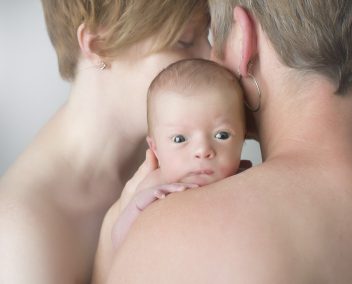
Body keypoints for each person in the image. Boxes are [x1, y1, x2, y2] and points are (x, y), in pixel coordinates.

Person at [96, 0, 352, 283]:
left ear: (244, 39)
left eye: (215, 37)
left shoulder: (172, 233)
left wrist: (113, 230)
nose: (211, 58)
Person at [0, 0, 210, 283]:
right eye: (184, 41)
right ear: (98, 45)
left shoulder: (171, 158)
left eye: (206, 36)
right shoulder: (21, 234)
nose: (211, 59)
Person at [111, 58, 246, 249]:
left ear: (242, 138)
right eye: (179, 139)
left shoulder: (245, 181)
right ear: (155, 148)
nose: (203, 151)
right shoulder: (155, 188)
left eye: (221, 135)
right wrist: (136, 207)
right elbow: (118, 241)